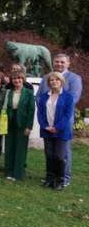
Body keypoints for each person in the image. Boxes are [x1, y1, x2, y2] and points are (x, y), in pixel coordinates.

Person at [37, 54, 82, 186]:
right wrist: (45, 118)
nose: (59, 64)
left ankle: (64, 178)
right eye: (57, 62)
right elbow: (39, 97)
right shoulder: (46, 77)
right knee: (50, 153)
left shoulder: (74, 78)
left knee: (63, 153)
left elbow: (74, 98)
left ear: (68, 63)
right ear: (53, 63)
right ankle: (51, 178)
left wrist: (58, 123)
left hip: (63, 123)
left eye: (62, 62)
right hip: (47, 122)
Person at [37, 72, 75, 190]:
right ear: (49, 83)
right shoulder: (44, 96)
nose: (54, 82)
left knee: (59, 156)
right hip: (47, 130)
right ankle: (50, 179)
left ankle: (60, 181)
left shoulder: (68, 97)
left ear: (61, 81)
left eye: (57, 80)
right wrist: (45, 126)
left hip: (61, 131)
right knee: (49, 155)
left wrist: (57, 127)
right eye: (52, 80)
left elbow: (67, 115)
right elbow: (40, 113)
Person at [0, 72, 35, 181]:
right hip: (9, 122)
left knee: (20, 149)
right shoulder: (8, 92)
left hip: (22, 124)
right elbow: (1, 106)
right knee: (9, 147)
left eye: (19, 78)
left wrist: (29, 127)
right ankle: (8, 171)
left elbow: (31, 111)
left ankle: (18, 173)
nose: (17, 81)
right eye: (14, 79)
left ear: (23, 79)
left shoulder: (28, 93)